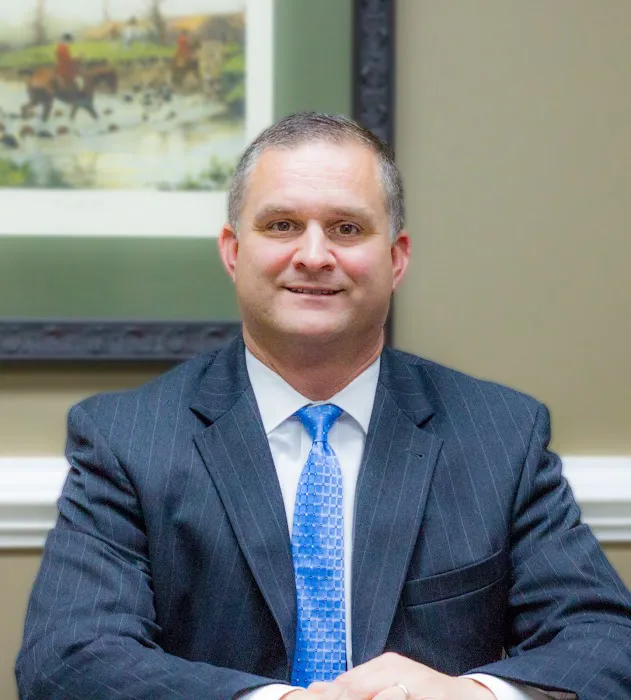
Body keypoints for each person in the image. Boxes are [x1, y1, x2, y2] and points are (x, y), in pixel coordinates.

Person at [16, 113, 631, 700]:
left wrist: (467, 692)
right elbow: (67, 659)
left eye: (347, 229)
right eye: (282, 225)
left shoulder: (501, 436)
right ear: (232, 251)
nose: (313, 256)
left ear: (396, 258)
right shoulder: (125, 441)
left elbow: (605, 642)